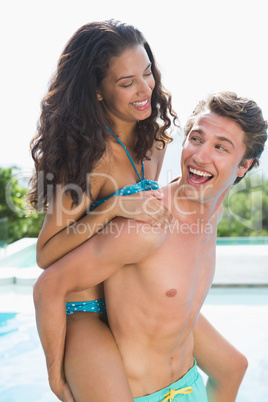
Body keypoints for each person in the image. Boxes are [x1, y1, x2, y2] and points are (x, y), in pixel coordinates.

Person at [34, 91, 267, 401]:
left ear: (243, 166)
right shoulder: (146, 226)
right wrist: (56, 377)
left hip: (189, 383)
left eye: (220, 147)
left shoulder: (212, 211)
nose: (200, 156)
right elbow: (49, 285)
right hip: (143, 395)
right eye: (196, 139)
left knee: (234, 367)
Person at [28, 19, 176, 401]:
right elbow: (46, 253)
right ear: (97, 91)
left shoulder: (156, 143)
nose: (145, 90)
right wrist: (110, 209)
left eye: (147, 74)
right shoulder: (86, 159)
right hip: (85, 313)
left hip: (133, 304)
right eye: (127, 83)